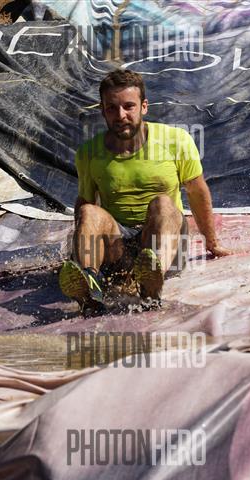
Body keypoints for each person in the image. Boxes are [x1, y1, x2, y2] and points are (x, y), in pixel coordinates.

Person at [59, 69, 231, 312]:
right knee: (89, 211)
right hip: (119, 248)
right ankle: (89, 285)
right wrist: (79, 250)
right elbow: (84, 204)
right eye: (112, 108)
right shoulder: (88, 153)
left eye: (129, 106)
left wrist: (212, 244)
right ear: (103, 111)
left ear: (144, 107)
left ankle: (152, 280)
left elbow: (197, 192)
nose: (121, 115)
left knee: (162, 203)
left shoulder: (176, 141)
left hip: (167, 244)